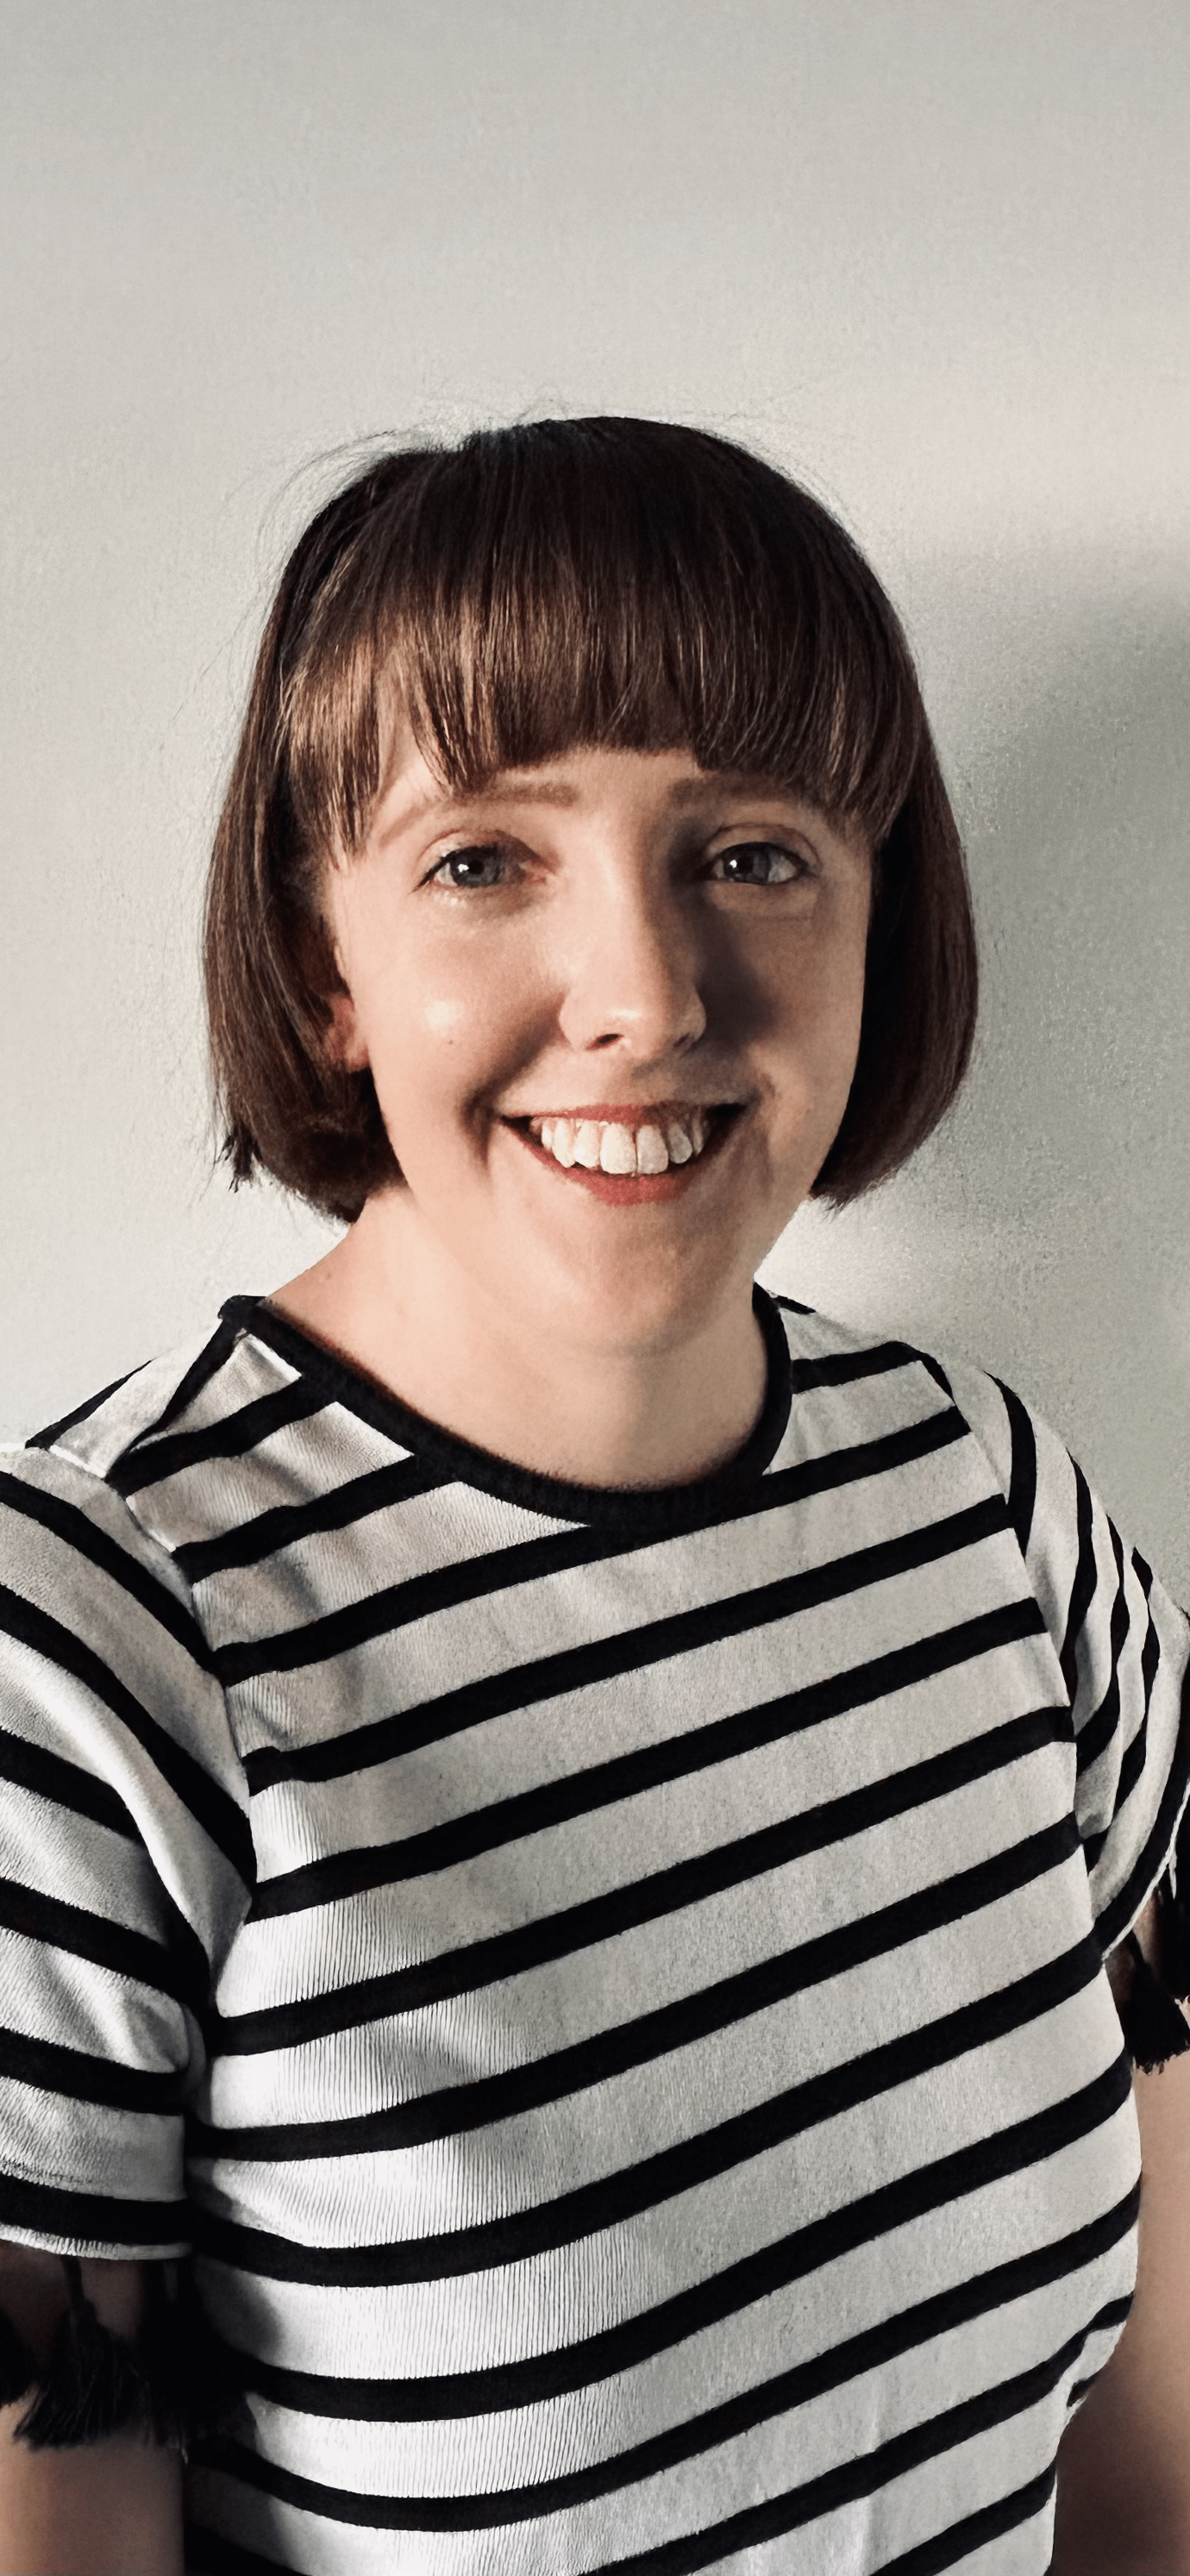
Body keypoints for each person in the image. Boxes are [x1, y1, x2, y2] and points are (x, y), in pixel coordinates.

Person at [0, 417, 1187, 2576]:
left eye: (753, 851)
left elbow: (1154, 2440)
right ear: (321, 965)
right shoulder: (85, 1651)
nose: (643, 994)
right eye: (484, 858)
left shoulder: (999, 1503)